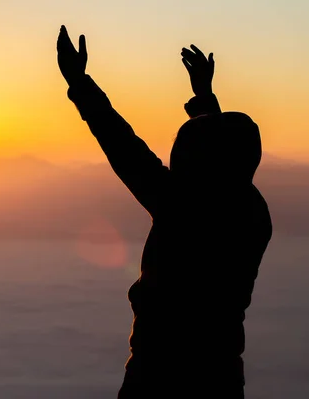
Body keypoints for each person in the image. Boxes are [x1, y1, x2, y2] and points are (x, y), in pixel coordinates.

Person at [56, 25, 272, 398]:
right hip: (220, 375)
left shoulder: (182, 206)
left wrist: (79, 83)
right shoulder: (252, 210)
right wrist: (205, 101)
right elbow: (223, 156)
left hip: (159, 374)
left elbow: (124, 147)